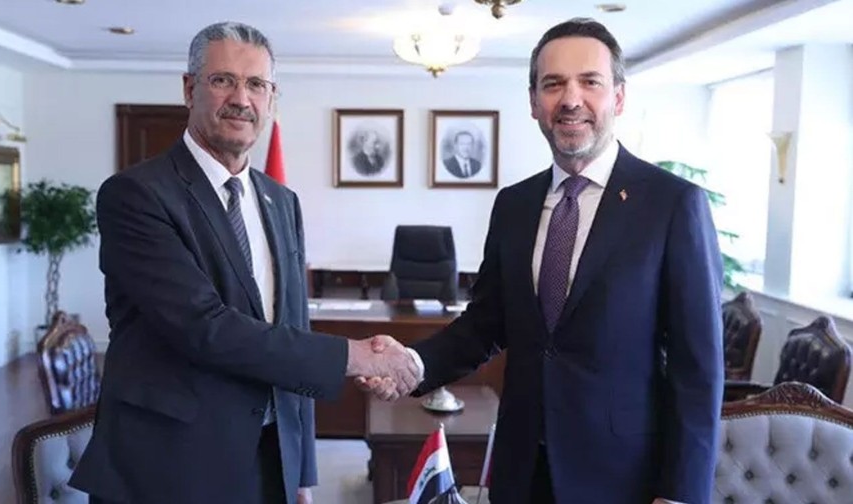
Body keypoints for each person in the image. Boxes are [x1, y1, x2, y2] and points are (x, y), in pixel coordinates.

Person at [363, 17, 724, 504]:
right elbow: (486, 324)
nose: (571, 99)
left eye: (590, 82)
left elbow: (697, 369)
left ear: (618, 97)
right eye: (553, 84)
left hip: (623, 479)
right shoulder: (514, 205)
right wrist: (413, 363)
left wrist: (681, 494)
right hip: (521, 472)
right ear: (534, 102)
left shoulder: (672, 205)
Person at [69, 22, 418, 504]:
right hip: (168, 466)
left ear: (271, 98)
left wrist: (301, 470)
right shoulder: (136, 195)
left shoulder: (282, 201)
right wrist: (355, 356)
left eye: (256, 84)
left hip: (269, 458)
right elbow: (204, 327)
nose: (241, 98)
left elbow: (292, 323)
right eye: (223, 80)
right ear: (189, 89)